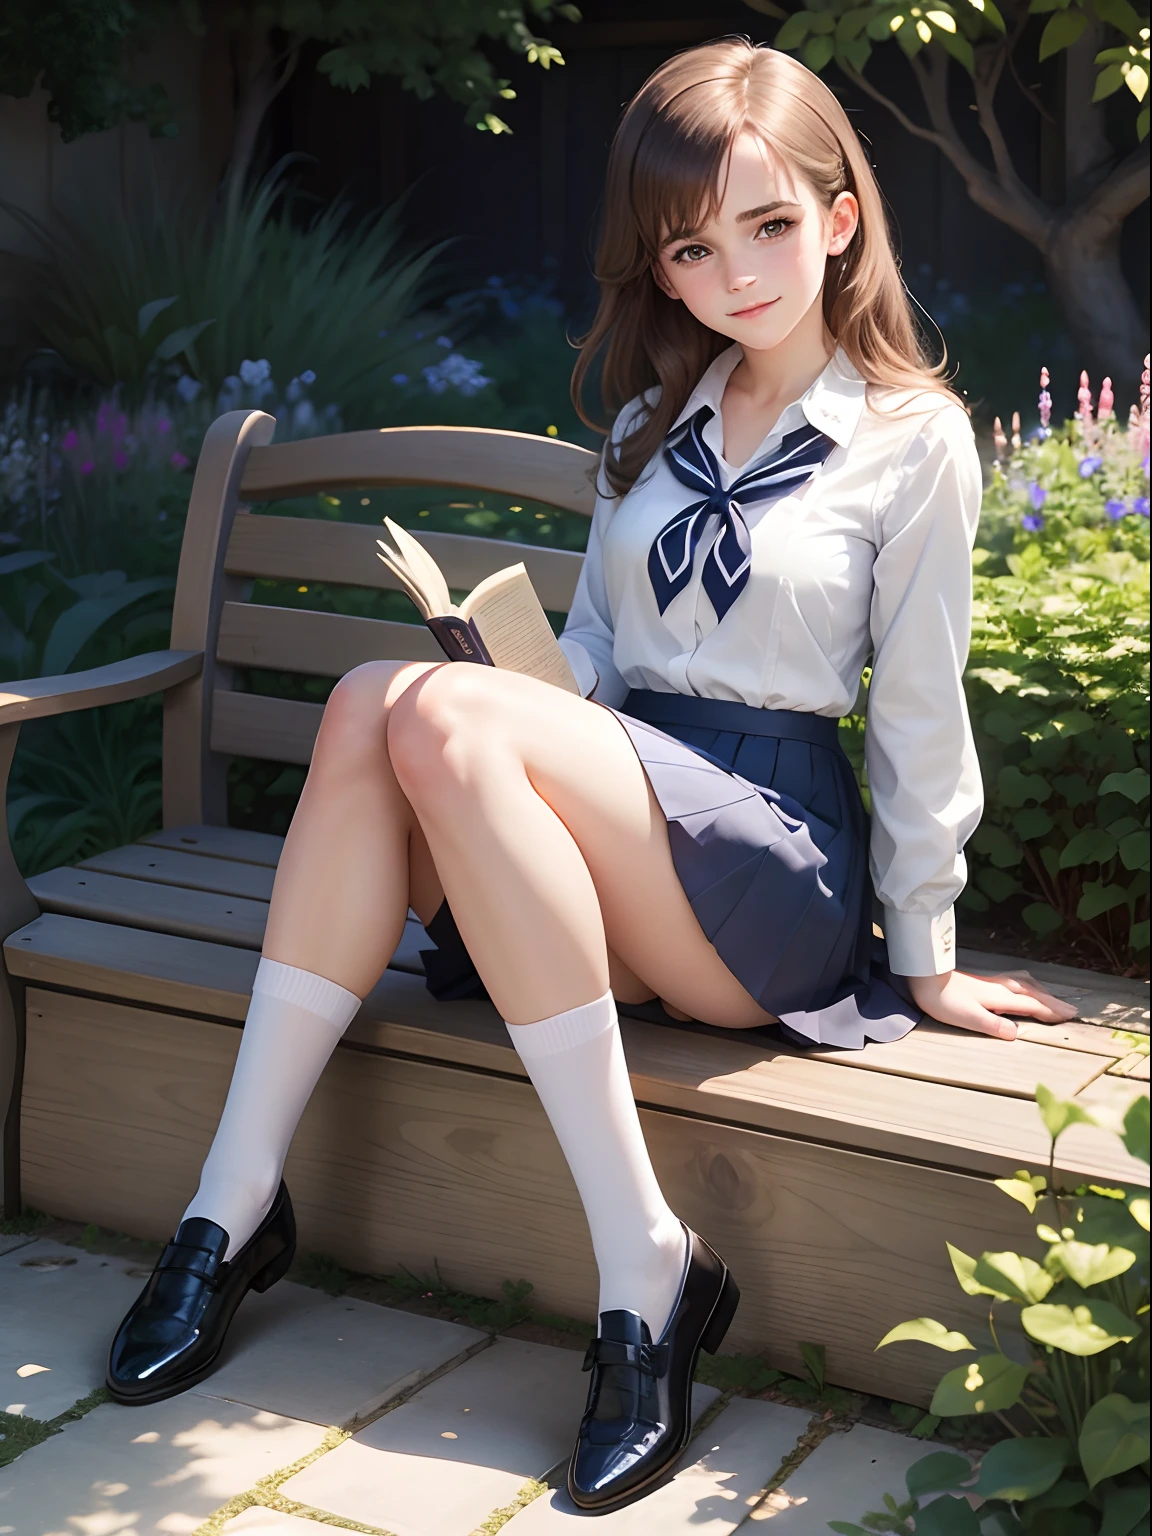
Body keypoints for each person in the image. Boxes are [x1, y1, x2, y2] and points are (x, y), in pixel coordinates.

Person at [105, 37, 1077, 1513]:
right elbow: (596, 665)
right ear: (661, 268)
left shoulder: (910, 438)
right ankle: (250, 1205)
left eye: (767, 224)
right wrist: (510, 719)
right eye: (694, 246)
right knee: (392, 701)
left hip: (769, 867)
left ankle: (613, 1260)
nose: (737, 273)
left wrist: (927, 953)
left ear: (840, 216)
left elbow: (919, 712)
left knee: (407, 706)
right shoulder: (646, 429)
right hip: (617, 834)